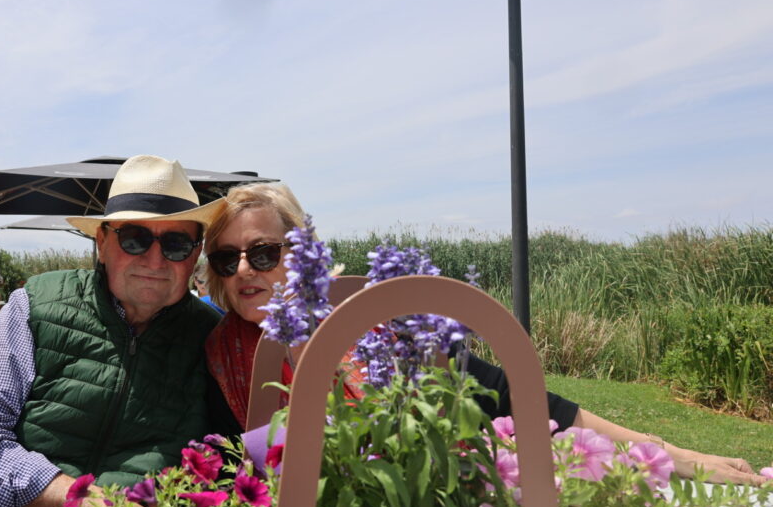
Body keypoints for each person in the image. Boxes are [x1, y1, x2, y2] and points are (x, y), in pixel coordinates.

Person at [202, 182, 768, 486]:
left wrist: (674, 454)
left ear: (303, 252)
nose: (245, 269)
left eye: (264, 252)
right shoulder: (219, 353)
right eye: (227, 258)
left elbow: (527, 403)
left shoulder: (379, 330)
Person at [0, 154, 239, 507]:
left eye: (176, 243)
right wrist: (85, 500)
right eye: (134, 238)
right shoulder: (35, 306)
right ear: (102, 243)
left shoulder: (213, 338)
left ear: (196, 253)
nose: (155, 260)